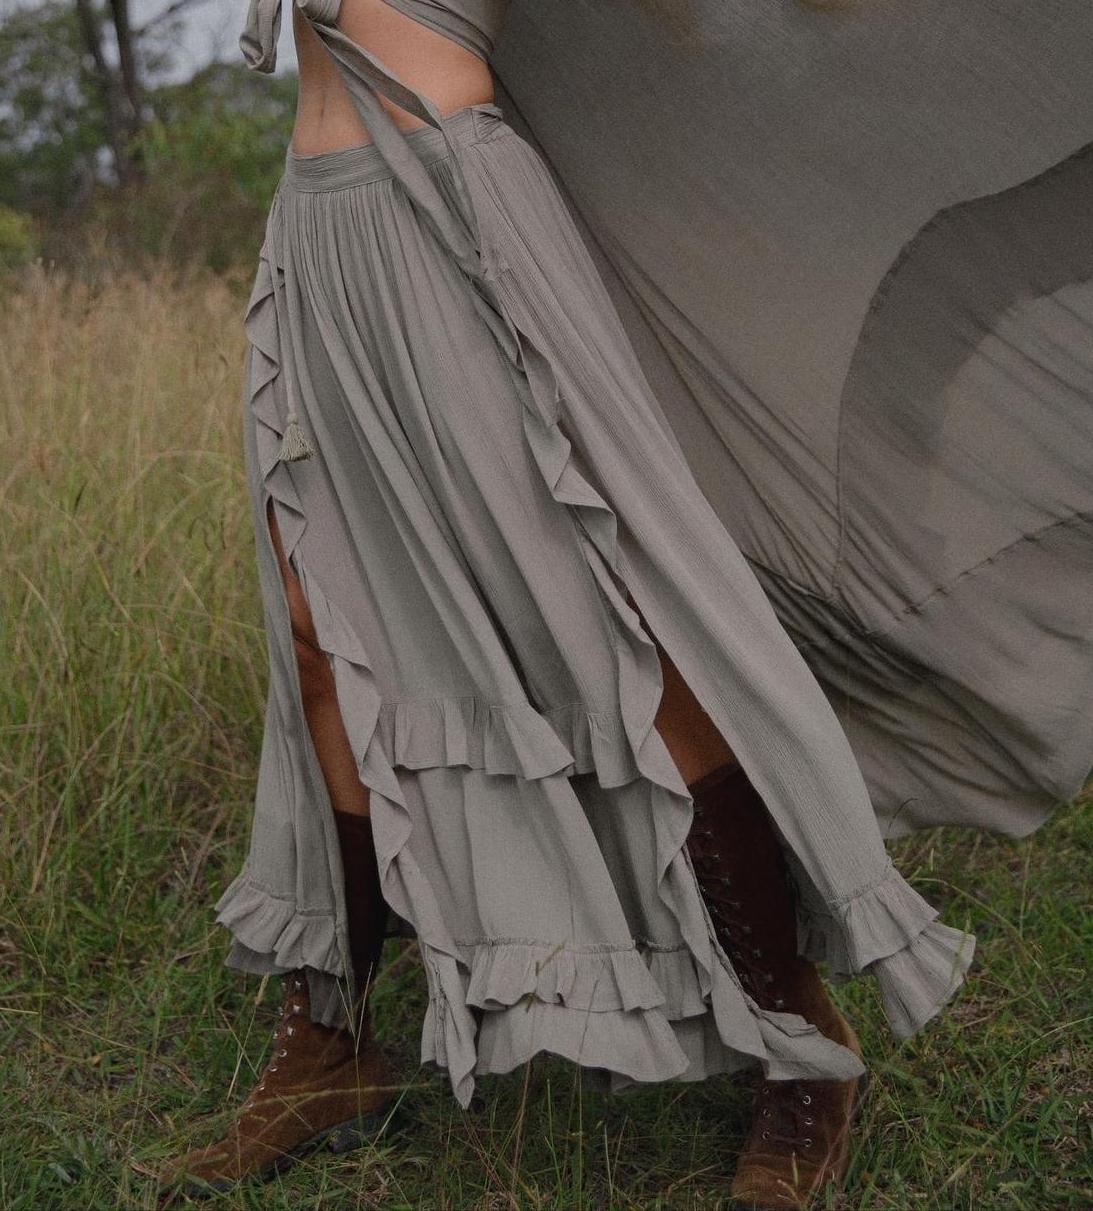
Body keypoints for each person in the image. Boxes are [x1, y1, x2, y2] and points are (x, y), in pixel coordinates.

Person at [149, 1, 994, 1206]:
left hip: (450, 210)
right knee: (319, 635)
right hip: (318, 227)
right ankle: (330, 1046)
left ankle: (796, 1038)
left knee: (609, 620)